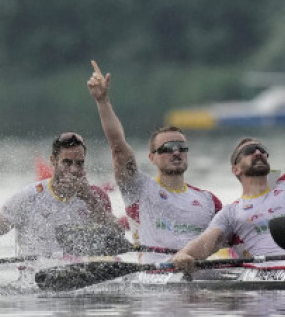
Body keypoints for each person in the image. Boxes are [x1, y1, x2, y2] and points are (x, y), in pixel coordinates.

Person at [172, 56, 285, 270]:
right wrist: (185, 254)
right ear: (235, 169)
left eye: (262, 150)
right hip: (262, 287)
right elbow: (208, 242)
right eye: (248, 151)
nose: (258, 153)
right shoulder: (230, 213)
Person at [87, 60, 222, 260]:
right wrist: (103, 102)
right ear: (152, 158)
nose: (176, 152)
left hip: (201, 282)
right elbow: (118, 147)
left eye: (181, 147)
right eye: (167, 149)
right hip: (157, 283)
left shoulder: (209, 201)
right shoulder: (138, 188)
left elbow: (233, 236)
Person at [0, 132, 119, 269]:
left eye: (79, 163)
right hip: (36, 282)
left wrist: (90, 199)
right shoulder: (28, 197)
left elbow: (116, 236)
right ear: (53, 161)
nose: (74, 170)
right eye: (67, 162)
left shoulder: (96, 196)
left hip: (82, 278)